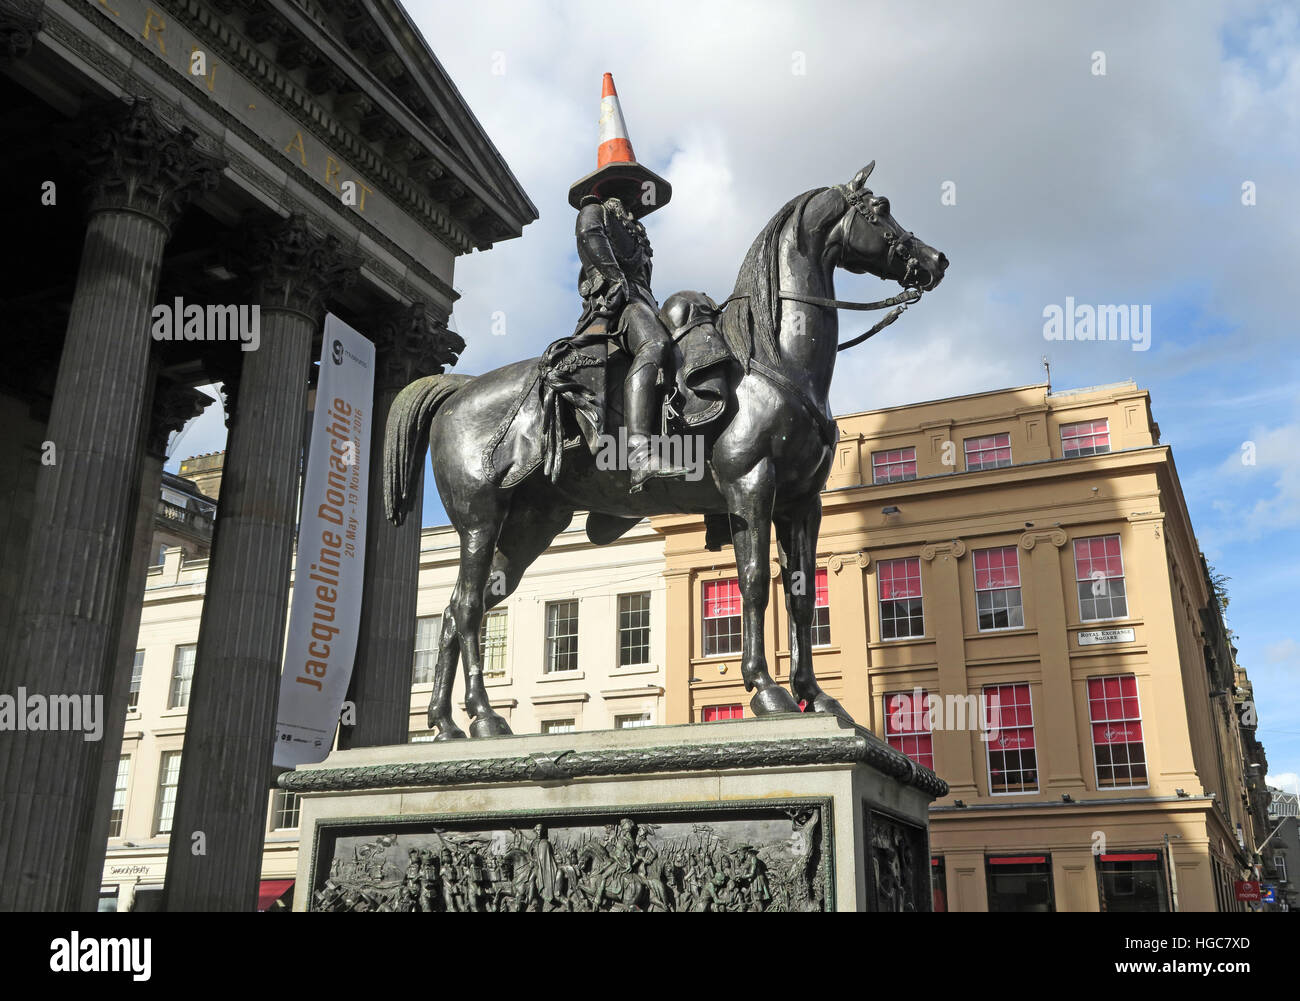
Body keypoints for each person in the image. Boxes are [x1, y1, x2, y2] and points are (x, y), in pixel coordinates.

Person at [565, 73, 688, 491]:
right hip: (616, 305)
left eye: (638, 191)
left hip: (642, 302)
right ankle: (639, 452)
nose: (637, 198)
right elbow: (592, 245)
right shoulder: (594, 212)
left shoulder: (635, 229)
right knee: (654, 344)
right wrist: (616, 282)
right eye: (631, 189)